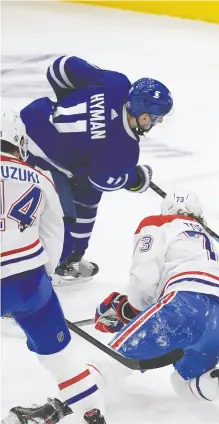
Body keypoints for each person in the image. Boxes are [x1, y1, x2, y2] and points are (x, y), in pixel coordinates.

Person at [87, 189, 219, 421]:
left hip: (187, 305)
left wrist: (128, 311)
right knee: (184, 382)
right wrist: (130, 313)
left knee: (111, 360)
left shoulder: (159, 223)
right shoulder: (203, 237)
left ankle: (56, 408)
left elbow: (144, 279)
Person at [0, 110, 113, 424]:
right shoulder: (40, 176)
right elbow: (55, 237)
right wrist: (41, 284)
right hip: (32, 282)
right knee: (63, 361)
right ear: (19, 142)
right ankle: (95, 421)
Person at [20, 55, 173, 284]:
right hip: (37, 159)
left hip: (23, 124)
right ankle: (56, 265)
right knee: (80, 198)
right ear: (143, 116)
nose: (157, 123)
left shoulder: (117, 83)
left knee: (82, 179)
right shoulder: (125, 149)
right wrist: (135, 178)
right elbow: (101, 180)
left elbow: (59, 68)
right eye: (156, 118)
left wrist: (68, 105)